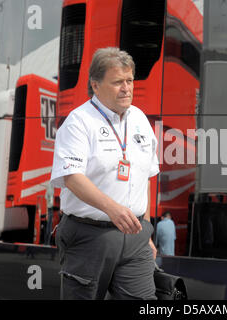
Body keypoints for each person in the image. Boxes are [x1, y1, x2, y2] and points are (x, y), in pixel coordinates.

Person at [50, 47, 159, 300]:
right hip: (89, 237)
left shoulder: (141, 120)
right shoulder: (79, 122)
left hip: (135, 240)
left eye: (130, 80)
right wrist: (113, 208)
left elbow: (148, 178)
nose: (127, 88)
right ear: (96, 86)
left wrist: (146, 231)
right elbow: (72, 178)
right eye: (118, 82)